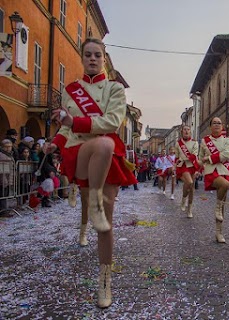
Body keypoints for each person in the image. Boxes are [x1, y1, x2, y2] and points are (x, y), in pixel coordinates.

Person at [45, 38, 136, 308]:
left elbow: (112, 121)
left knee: (105, 223)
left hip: (108, 158)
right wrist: (55, 142)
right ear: (82, 58)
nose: (93, 59)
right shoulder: (70, 89)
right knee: (104, 142)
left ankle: (105, 281)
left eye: (98, 55)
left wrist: (74, 121)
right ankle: (92, 198)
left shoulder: (115, 89)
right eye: (88, 54)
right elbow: (65, 129)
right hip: (81, 151)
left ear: (103, 58)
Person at [199, 117, 229, 243]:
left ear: (222, 126)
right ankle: (217, 207)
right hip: (211, 172)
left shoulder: (228, 141)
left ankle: (219, 233)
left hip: (224, 170)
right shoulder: (204, 141)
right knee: (225, 185)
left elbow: (226, 156)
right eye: (214, 123)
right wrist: (202, 164)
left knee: (223, 204)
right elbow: (200, 158)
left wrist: (208, 159)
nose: (217, 125)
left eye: (219, 123)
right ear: (210, 126)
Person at [175, 125, 200, 218]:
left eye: (188, 130)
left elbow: (194, 155)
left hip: (192, 166)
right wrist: (176, 163)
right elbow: (177, 157)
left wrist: (183, 158)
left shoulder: (195, 142)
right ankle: (183, 199)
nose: (186, 131)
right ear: (182, 131)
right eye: (184, 130)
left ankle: (189, 209)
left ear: (190, 131)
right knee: (189, 182)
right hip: (183, 166)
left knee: (191, 189)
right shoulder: (178, 143)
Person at [0, 139, 15, 216]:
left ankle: (4, 209)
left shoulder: (9, 155)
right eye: (6, 147)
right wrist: (4, 181)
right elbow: (2, 171)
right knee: (3, 195)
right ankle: (3, 211)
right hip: (3, 179)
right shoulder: (2, 155)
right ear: (2, 147)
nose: (8, 148)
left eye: (10, 146)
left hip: (8, 178)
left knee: (5, 195)